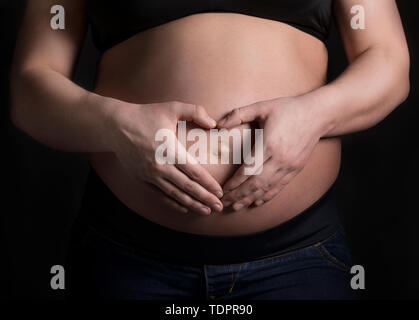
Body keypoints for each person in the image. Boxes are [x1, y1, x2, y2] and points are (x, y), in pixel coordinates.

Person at [10, 0, 409, 300]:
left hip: (298, 262)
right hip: (127, 260)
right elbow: (31, 85)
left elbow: (387, 59)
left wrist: (314, 114)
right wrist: (116, 126)